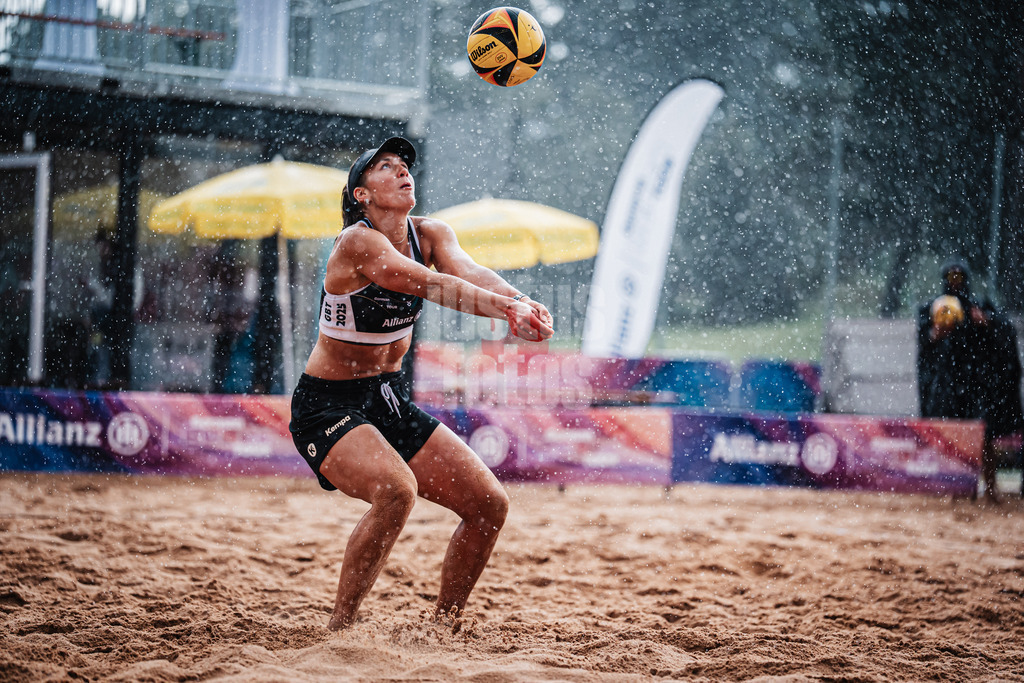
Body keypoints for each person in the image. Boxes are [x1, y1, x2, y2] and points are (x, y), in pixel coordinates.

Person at [288, 137, 553, 629]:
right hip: (326, 405)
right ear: (361, 196)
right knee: (395, 490)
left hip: (386, 399)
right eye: (385, 168)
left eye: (404, 165)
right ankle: (340, 630)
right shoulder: (357, 242)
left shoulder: (430, 232)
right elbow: (433, 285)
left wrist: (521, 299)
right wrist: (506, 311)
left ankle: (443, 628)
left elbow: (467, 271)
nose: (401, 171)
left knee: (488, 505)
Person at [917, 259, 1024, 502]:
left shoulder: (980, 306)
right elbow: (924, 346)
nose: (955, 283)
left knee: (985, 436)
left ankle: (990, 487)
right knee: (954, 437)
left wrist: (986, 322)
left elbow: (1004, 332)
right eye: (951, 277)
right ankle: (956, 489)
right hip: (949, 383)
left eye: (959, 277)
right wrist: (936, 332)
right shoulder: (935, 308)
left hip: (978, 383)